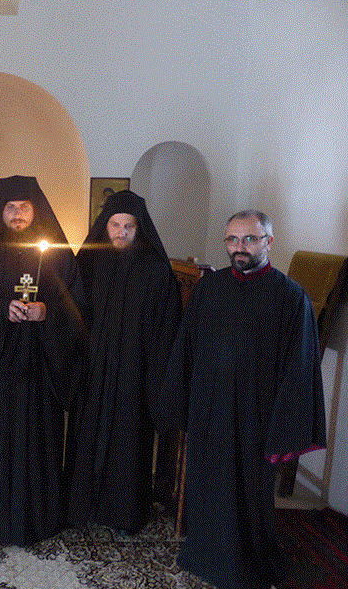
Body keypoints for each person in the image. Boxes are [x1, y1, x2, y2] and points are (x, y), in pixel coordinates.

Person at [161, 210, 327, 589]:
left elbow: (299, 370)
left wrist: (283, 429)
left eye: (250, 239)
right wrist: (180, 403)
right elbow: (187, 347)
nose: (240, 247)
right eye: (232, 239)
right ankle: (205, 554)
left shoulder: (291, 298)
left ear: (269, 242)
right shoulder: (209, 288)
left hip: (256, 415)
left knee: (247, 489)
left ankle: (247, 562)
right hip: (209, 408)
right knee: (208, 484)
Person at [0, 175, 86, 546]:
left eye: (24, 206)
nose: (17, 213)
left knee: (39, 442)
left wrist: (48, 312)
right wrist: (1, 311)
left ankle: (40, 516)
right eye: (10, 207)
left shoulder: (57, 253)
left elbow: (79, 308)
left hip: (41, 369)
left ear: (35, 209)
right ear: (0, 211)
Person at [65, 189, 181, 533]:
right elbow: (70, 313)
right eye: (115, 225)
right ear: (106, 225)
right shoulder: (87, 263)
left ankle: (124, 512)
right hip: (93, 368)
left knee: (128, 442)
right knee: (87, 435)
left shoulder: (157, 271)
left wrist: (156, 378)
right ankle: (81, 507)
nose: (121, 232)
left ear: (139, 228)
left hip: (135, 372)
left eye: (129, 226)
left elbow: (166, 330)